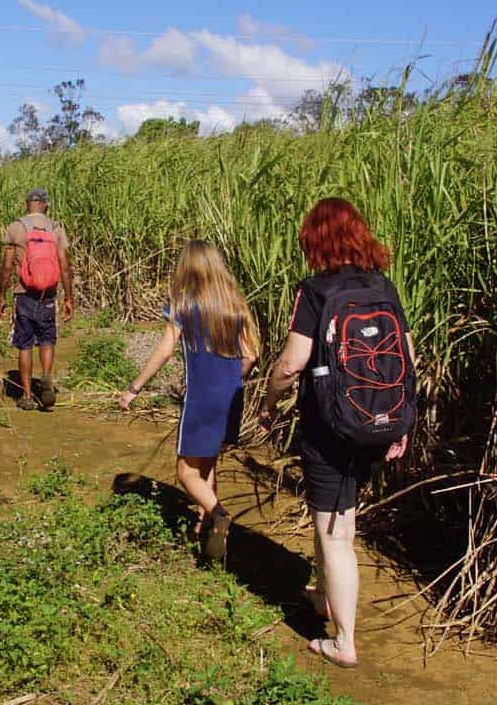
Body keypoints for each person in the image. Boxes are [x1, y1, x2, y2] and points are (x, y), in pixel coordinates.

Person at [258, 198, 415, 670]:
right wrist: (402, 420)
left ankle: (343, 640)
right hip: (377, 422)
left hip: (329, 426)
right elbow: (407, 357)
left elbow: (291, 364)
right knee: (338, 517)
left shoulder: (316, 291)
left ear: (315, 240)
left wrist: (267, 403)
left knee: (336, 533)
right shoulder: (382, 286)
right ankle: (324, 595)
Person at [120, 240, 260, 562]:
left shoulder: (183, 303)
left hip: (201, 396)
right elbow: (252, 355)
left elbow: (166, 349)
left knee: (185, 472)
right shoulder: (233, 303)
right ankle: (206, 533)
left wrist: (134, 387)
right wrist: (232, 377)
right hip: (232, 394)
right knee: (208, 462)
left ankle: (219, 514)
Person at [0, 187, 75, 410]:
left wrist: (1, 295)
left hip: (24, 295)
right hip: (48, 296)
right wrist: (69, 298)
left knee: (24, 344)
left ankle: (27, 396)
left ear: (26, 204)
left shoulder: (15, 227)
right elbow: (65, 267)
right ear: (45, 204)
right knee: (47, 340)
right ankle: (47, 378)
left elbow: (7, 266)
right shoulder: (55, 228)